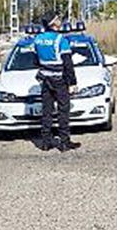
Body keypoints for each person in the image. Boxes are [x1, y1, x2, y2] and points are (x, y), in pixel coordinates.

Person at [33, 14, 81, 152]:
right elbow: (68, 64)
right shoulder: (61, 40)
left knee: (46, 112)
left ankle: (45, 143)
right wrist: (72, 83)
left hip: (45, 80)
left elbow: (35, 61)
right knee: (63, 111)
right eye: (58, 19)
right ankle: (64, 142)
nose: (60, 21)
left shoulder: (38, 39)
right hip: (59, 81)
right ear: (53, 23)